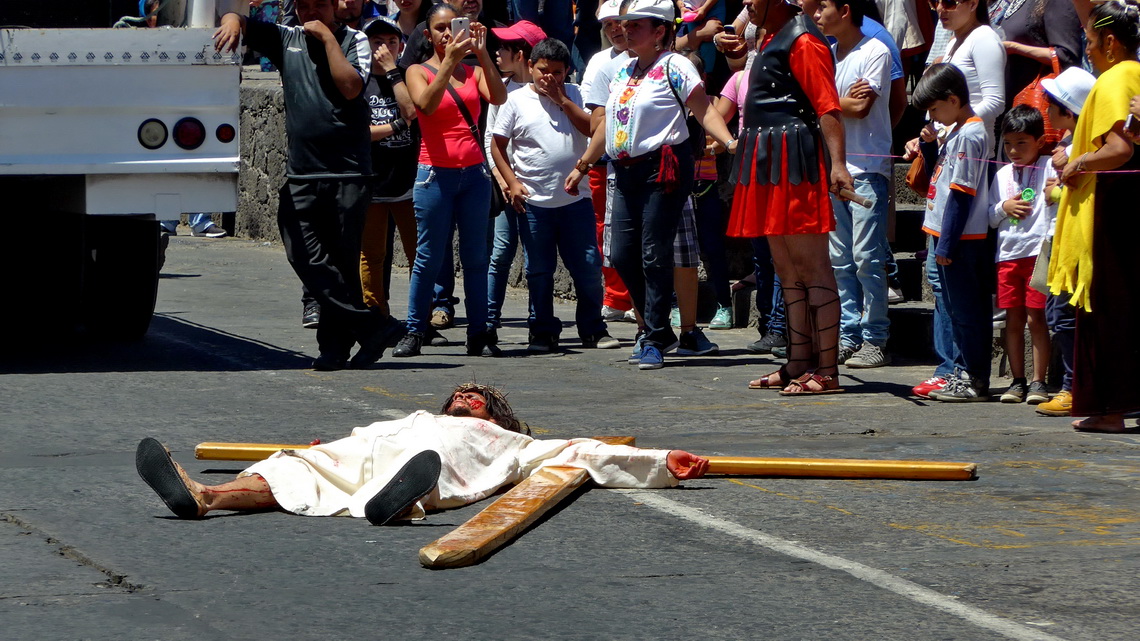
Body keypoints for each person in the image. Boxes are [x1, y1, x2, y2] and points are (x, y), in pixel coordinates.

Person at [136, 383, 710, 524]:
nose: (467, 396)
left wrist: (661, 462)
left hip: (442, 461)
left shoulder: (516, 442)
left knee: (437, 469)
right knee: (293, 466)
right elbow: (358, 442)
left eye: (479, 398)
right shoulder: (414, 416)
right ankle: (205, 496)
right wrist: (325, 448)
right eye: (461, 393)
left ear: (496, 417)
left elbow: (585, 451)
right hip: (372, 449)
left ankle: (402, 500)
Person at [214, 0, 405, 371]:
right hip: (303, 172)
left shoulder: (355, 41)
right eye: (303, 5)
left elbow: (351, 87)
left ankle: (335, 348)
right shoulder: (287, 38)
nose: (310, 11)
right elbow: (243, 21)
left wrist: (327, 41)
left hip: (348, 173)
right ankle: (373, 327)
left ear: (335, 6)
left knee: (342, 264)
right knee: (303, 254)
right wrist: (232, 20)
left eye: (319, 3)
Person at [564, 0, 738, 371]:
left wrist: (729, 141)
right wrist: (583, 165)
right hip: (624, 172)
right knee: (623, 254)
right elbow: (608, 124)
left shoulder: (675, 65)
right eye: (624, 25)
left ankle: (655, 334)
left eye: (636, 25)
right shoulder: (625, 69)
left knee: (654, 253)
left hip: (665, 169)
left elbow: (704, 109)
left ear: (660, 31)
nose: (626, 30)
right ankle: (657, 329)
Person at [728, 0, 853, 395]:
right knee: (786, 270)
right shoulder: (766, 37)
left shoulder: (803, 40)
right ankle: (799, 360)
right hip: (766, 161)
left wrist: (838, 165)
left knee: (812, 269)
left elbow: (827, 106)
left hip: (794, 162)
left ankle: (828, 369)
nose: (747, 2)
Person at [392, 2, 508, 358]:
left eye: (453, 27)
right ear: (429, 35)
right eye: (441, 29)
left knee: (476, 257)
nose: (448, 34)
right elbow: (424, 105)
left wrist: (482, 54)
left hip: (472, 175)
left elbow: (499, 96)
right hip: (434, 176)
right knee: (428, 257)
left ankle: (479, 333)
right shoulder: (417, 70)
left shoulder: (473, 72)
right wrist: (448, 62)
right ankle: (415, 331)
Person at [490, 38, 621, 353]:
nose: (549, 78)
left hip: (575, 201)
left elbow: (592, 129)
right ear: (531, 67)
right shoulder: (515, 100)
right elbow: (497, 144)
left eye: (557, 72)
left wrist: (562, 99)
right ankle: (542, 330)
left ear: (567, 72)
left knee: (588, 266)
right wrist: (511, 182)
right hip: (534, 203)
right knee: (538, 270)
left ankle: (592, 328)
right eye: (543, 70)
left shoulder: (575, 94)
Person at [1049, 0, 1140, 432]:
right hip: (1129, 205)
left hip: (1115, 208)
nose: (1086, 49)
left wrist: (1077, 162)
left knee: (1109, 308)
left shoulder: (1115, 78)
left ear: (1109, 40)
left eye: (1088, 40)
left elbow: (1120, 149)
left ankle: (1111, 410)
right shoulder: (1136, 73)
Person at [814, 0, 894, 369]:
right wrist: (834, 102)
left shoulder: (875, 50)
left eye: (823, 6)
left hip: (867, 167)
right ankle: (848, 334)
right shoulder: (828, 54)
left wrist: (826, 101)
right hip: (835, 167)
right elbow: (822, 104)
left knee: (867, 257)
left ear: (845, 10)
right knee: (840, 259)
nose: (816, 14)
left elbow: (860, 108)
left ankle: (875, 336)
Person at [912, 63, 994, 402]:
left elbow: (962, 193)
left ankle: (974, 377)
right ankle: (958, 371)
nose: (933, 116)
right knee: (954, 308)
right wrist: (930, 148)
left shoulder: (972, 134)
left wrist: (947, 243)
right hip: (945, 234)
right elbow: (941, 178)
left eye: (935, 108)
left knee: (967, 311)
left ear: (953, 98)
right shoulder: (956, 131)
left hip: (962, 239)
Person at [1034, 66, 1095, 417]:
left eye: (1051, 103)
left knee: (1065, 316)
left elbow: (1075, 192)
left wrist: (1055, 187)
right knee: (1058, 314)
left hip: (1072, 240)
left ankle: (1074, 387)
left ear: (1068, 110)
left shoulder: (1082, 149)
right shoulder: (1068, 145)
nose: (1046, 109)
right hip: (1056, 239)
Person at [988, 105, 1056, 404]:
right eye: (1008, 143)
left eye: (1021, 143)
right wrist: (1004, 208)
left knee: (1036, 318)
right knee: (1011, 321)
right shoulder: (1002, 173)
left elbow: (1054, 206)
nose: (1013, 150)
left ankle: (1039, 382)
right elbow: (990, 217)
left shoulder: (1050, 167)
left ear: (1040, 142)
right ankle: (1017, 381)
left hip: (1037, 253)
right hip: (1008, 255)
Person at [484, 20, 547, 341]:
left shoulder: (551, 90)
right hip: (508, 189)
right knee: (501, 251)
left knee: (537, 257)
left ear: (522, 54)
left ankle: (539, 322)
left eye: (505, 47)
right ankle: (489, 319)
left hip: (542, 192)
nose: (497, 52)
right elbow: (489, 140)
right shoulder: (502, 90)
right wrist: (504, 181)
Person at [581, 0, 637, 324]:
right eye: (608, 26)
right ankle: (616, 298)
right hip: (607, 161)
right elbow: (595, 122)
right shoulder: (601, 64)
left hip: (647, 161)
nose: (615, 29)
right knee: (608, 231)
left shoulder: (660, 61)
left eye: (620, 21)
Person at [359, 17, 418, 319]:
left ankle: (419, 317)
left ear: (400, 46)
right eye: (377, 42)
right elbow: (358, 132)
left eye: (391, 42)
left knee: (418, 253)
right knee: (372, 255)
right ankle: (376, 314)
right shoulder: (358, 80)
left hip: (409, 181)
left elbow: (412, 112)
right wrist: (395, 126)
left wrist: (394, 72)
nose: (384, 48)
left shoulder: (407, 75)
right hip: (373, 182)